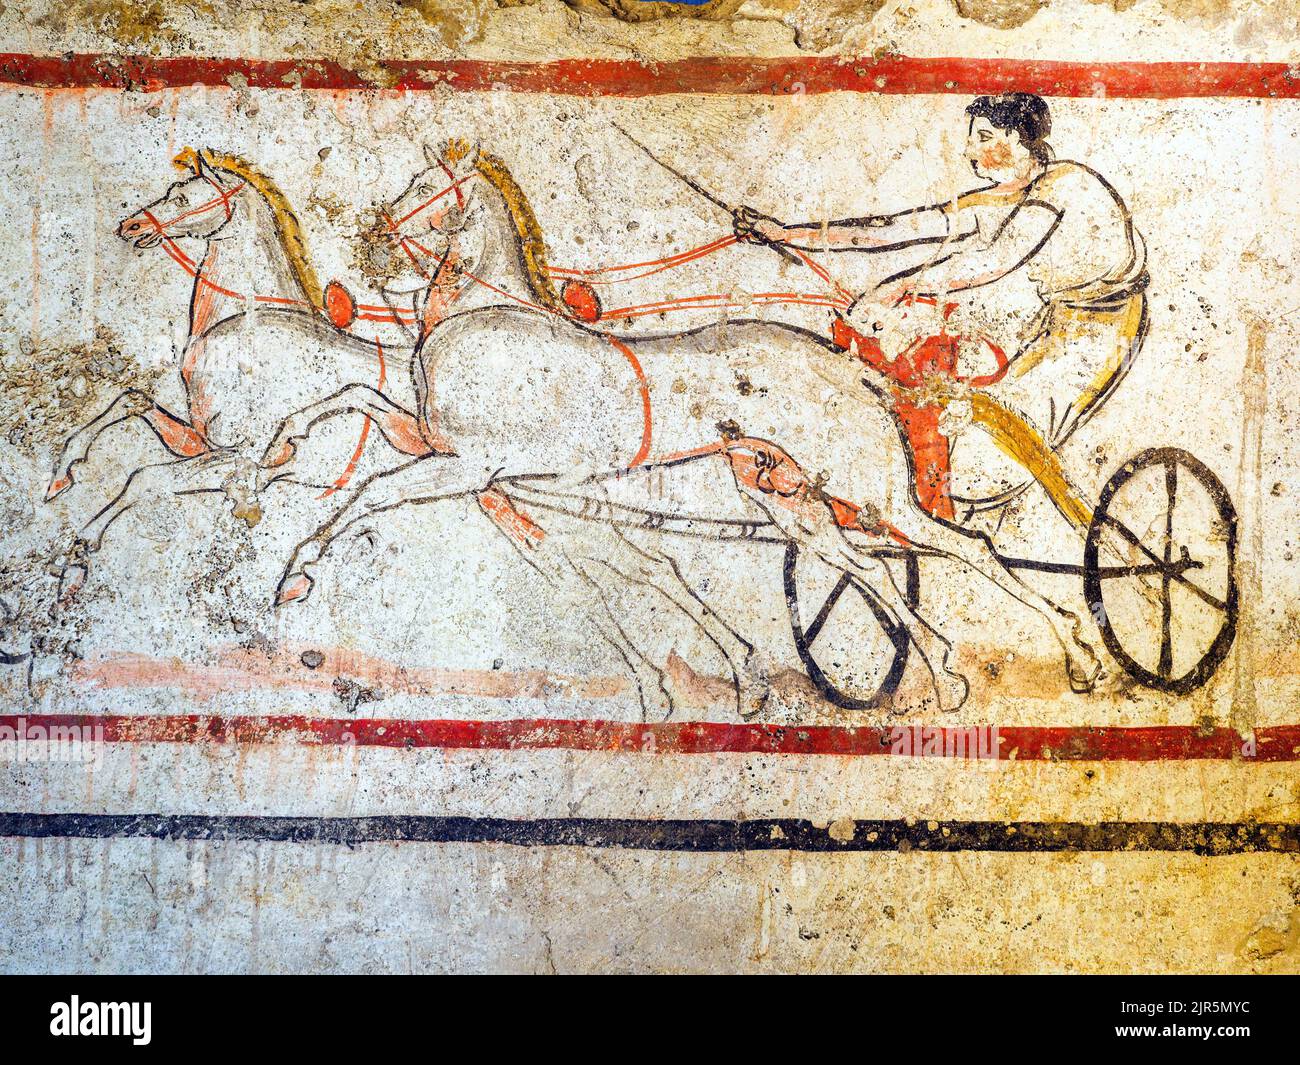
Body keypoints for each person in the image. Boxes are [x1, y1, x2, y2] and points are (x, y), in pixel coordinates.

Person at [735, 92, 1148, 530]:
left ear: (1020, 139)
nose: (971, 151)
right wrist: (785, 233)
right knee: (963, 416)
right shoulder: (1005, 195)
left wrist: (898, 287)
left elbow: (994, 261)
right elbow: (896, 230)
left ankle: (1092, 531)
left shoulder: (1068, 187)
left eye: (984, 138)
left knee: (1008, 434)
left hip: (1103, 329)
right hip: (1053, 321)